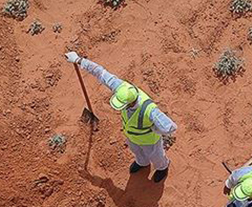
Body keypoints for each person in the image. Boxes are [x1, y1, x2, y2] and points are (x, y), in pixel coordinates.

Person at [64, 51, 177, 183]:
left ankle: (162, 167)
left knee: (156, 157)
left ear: (131, 102)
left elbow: (170, 127)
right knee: (136, 151)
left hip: (149, 141)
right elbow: (100, 73)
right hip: (132, 136)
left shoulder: (150, 110)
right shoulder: (121, 88)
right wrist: (78, 60)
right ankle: (142, 163)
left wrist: (154, 129)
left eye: (123, 105)